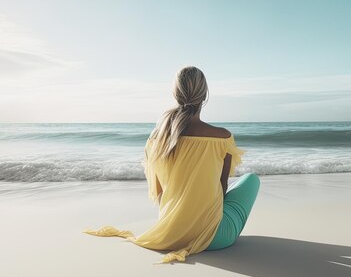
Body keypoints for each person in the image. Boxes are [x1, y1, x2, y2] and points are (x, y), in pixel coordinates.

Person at [83, 66, 260, 264]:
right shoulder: (222, 137)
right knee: (250, 180)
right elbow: (222, 187)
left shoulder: (157, 139)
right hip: (215, 238)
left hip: (170, 233)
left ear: (175, 94)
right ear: (205, 95)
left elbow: (159, 194)